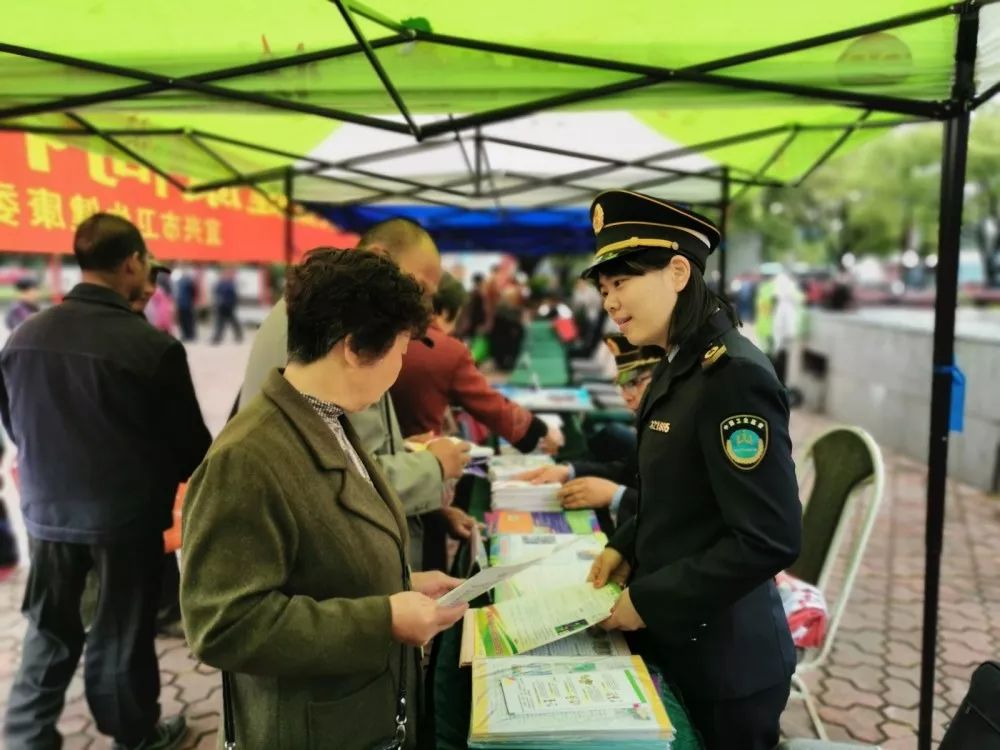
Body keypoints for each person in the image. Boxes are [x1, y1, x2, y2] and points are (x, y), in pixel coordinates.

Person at [181, 248, 468, 749]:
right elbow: (222, 624)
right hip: (310, 729)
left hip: (362, 712)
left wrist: (401, 581)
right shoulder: (247, 459)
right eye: (400, 350)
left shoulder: (327, 419)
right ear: (355, 348)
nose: (400, 367)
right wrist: (384, 619)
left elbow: (322, 552)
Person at [582, 191, 802, 750]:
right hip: (683, 642)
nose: (610, 302)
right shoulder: (677, 364)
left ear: (678, 271)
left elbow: (768, 537)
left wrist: (651, 602)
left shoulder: (734, 378)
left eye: (622, 283)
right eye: (604, 290)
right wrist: (626, 544)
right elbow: (674, 491)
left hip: (725, 669)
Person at [0, 213, 212, 750]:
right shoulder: (151, 348)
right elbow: (191, 449)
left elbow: (13, 424)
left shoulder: (24, 337)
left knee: (49, 628)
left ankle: (26, 738)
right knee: (120, 635)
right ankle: (135, 738)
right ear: (132, 262)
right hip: (125, 518)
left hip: (46, 513)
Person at [238, 219, 472, 569]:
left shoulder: (322, 343)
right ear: (351, 350)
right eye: (398, 351)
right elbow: (346, 476)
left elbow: (344, 452)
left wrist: (409, 457)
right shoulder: (344, 331)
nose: (423, 307)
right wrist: (433, 465)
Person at [390, 273, 563, 453]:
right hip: (420, 457)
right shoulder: (445, 350)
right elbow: (489, 404)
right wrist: (539, 429)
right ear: (447, 312)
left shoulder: (390, 335)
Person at [515, 333, 663, 528]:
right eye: (622, 385)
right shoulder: (652, 420)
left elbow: (682, 513)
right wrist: (569, 471)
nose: (626, 396)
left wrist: (616, 495)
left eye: (634, 383)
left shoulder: (684, 426)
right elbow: (629, 471)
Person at [210, 267, 242, 344]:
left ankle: (238, 336)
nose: (226, 275)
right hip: (221, 306)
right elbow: (216, 292)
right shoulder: (220, 283)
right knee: (219, 322)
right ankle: (217, 337)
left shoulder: (231, 284)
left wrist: (233, 304)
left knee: (233, 322)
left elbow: (234, 296)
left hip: (229, 306)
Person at [173, 268, 197, 342]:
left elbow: (193, 292)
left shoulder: (186, 282)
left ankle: (189, 335)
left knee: (186, 320)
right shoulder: (182, 281)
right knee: (185, 320)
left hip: (185, 303)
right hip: (184, 303)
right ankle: (187, 335)